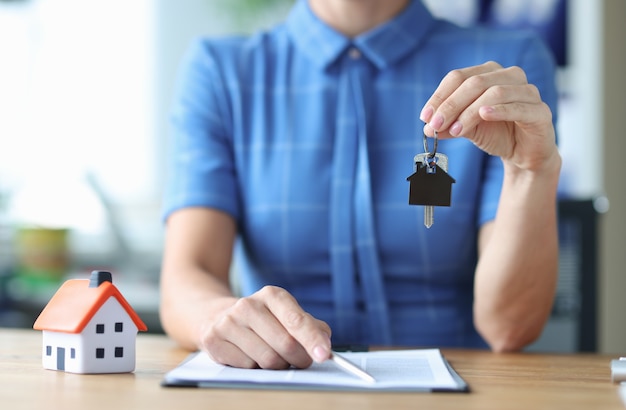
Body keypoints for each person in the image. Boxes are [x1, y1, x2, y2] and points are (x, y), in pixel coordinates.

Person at [159, 0, 561, 370]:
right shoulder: (221, 70)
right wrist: (220, 318)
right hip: (281, 385)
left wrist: (530, 171)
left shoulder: (506, 72)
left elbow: (507, 328)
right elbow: (186, 281)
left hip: (457, 393)